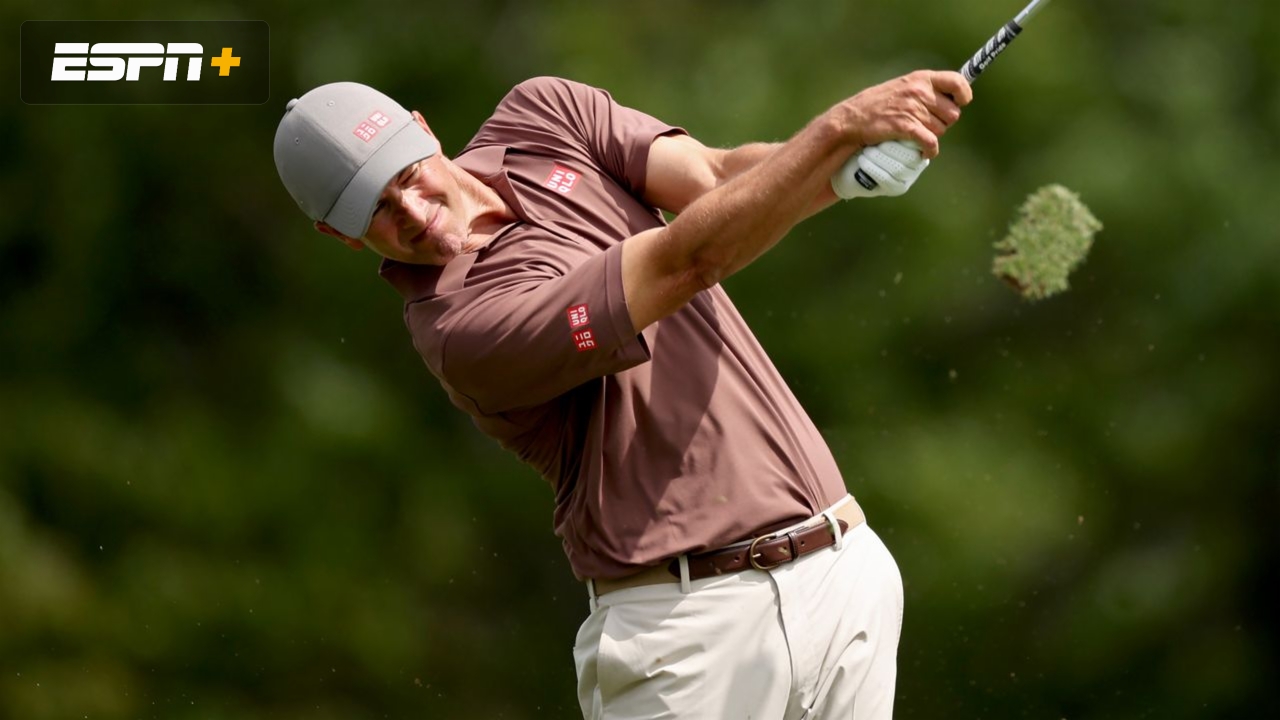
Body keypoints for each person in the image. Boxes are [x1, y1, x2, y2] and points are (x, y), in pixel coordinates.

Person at [273, 70, 971, 719]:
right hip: (687, 631)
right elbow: (684, 262)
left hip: (842, 570)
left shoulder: (544, 115)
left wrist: (842, 172)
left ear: (423, 129)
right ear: (340, 234)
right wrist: (839, 131)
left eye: (406, 176)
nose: (412, 211)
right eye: (375, 209)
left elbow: (718, 178)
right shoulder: (460, 331)